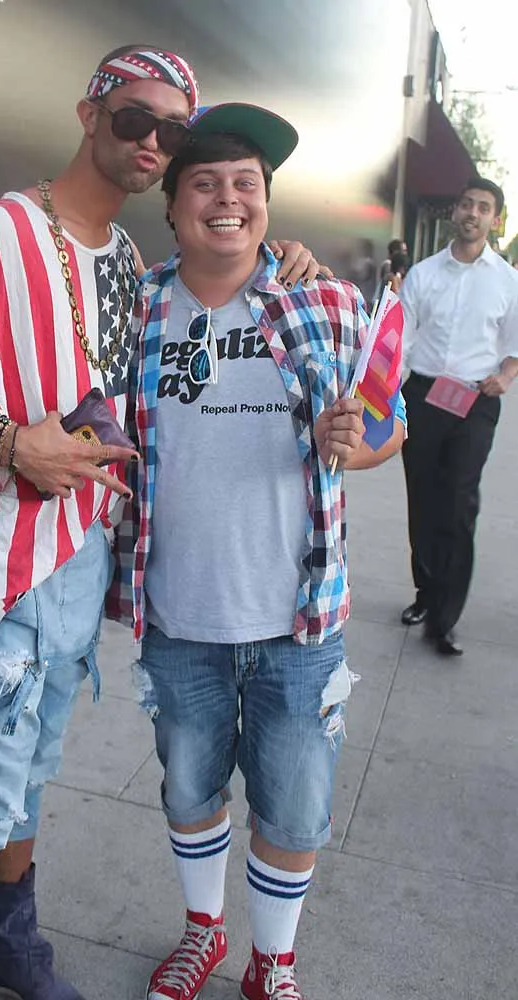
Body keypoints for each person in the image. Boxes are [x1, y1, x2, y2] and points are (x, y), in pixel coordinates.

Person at [0, 46, 325, 1000]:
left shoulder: (130, 260)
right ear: (89, 114)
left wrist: (282, 254)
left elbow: (222, 280)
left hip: (79, 559)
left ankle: (9, 941)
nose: (152, 142)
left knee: (29, 772)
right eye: (135, 118)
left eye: (171, 131)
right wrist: (12, 443)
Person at [107, 102, 406, 1000]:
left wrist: (356, 444)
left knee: (295, 807)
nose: (227, 200)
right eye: (204, 184)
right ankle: (203, 932)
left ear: (267, 202)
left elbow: (386, 421)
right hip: (178, 615)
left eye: (245, 183)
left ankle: (271, 960)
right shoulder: (137, 311)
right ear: (171, 206)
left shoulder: (325, 300)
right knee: (187, 793)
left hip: (298, 621)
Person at [399, 177, 518, 656]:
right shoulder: (423, 275)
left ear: (495, 220)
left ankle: (445, 619)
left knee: (459, 503)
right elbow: (401, 341)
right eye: (466, 203)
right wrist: (382, 397)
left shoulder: (507, 280)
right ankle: (426, 593)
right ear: (455, 211)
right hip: (424, 396)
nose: (472, 212)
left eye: (483, 207)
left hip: (474, 402)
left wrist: (506, 376)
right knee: (423, 499)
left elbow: (515, 342)